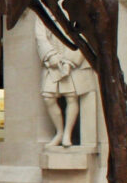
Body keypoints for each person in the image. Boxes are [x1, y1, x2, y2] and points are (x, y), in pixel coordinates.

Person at [35, 17, 95, 147]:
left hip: (70, 54)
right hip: (52, 58)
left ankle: (67, 134)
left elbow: (84, 34)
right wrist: (51, 55)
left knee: (71, 96)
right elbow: (40, 36)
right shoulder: (44, 8)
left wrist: (69, 61)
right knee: (48, 97)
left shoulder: (75, 4)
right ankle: (60, 132)